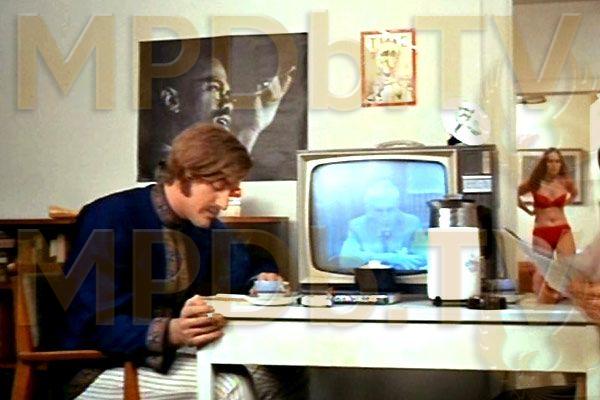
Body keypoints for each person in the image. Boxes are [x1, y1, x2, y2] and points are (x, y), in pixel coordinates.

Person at [59, 123, 297, 399]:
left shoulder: (203, 227)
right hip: (96, 367)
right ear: (185, 176)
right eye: (218, 188)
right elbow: (92, 324)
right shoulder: (108, 218)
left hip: (161, 358)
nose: (223, 203)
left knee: (280, 375)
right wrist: (171, 332)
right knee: (231, 387)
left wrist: (262, 277)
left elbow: (249, 260)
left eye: (230, 190)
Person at [138, 36, 296, 182]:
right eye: (214, 88)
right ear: (172, 100)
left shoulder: (196, 161)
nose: (227, 103)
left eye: (227, 93)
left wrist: (250, 129)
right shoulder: (161, 164)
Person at [517, 148, 578, 303]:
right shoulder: (534, 183)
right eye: (550, 161)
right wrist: (528, 211)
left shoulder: (565, 182)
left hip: (562, 229)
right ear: (544, 163)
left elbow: (575, 193)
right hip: (541, 231)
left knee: (569, 265)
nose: (554, 165)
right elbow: (515, 194)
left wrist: (565, 203)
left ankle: (567, 300)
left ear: (561, 164)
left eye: (557, 161)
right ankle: (542, 304)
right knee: (543, 269)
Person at [338, 180, 427, 271]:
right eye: (379, 210)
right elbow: (346, 259)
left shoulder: (413, 222)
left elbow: (426, 256)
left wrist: (405, 260)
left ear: (397, 205)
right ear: (368, 209)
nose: (385, 216)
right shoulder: (357, 225)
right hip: (369, 278)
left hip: (404, 277)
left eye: (390, 210)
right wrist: (390, 257)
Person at [365, 37, 413, 104]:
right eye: (384, 54)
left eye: (393, 54)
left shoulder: (401, 78)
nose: (388, 58)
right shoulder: (370, 76)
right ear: (376, 56)